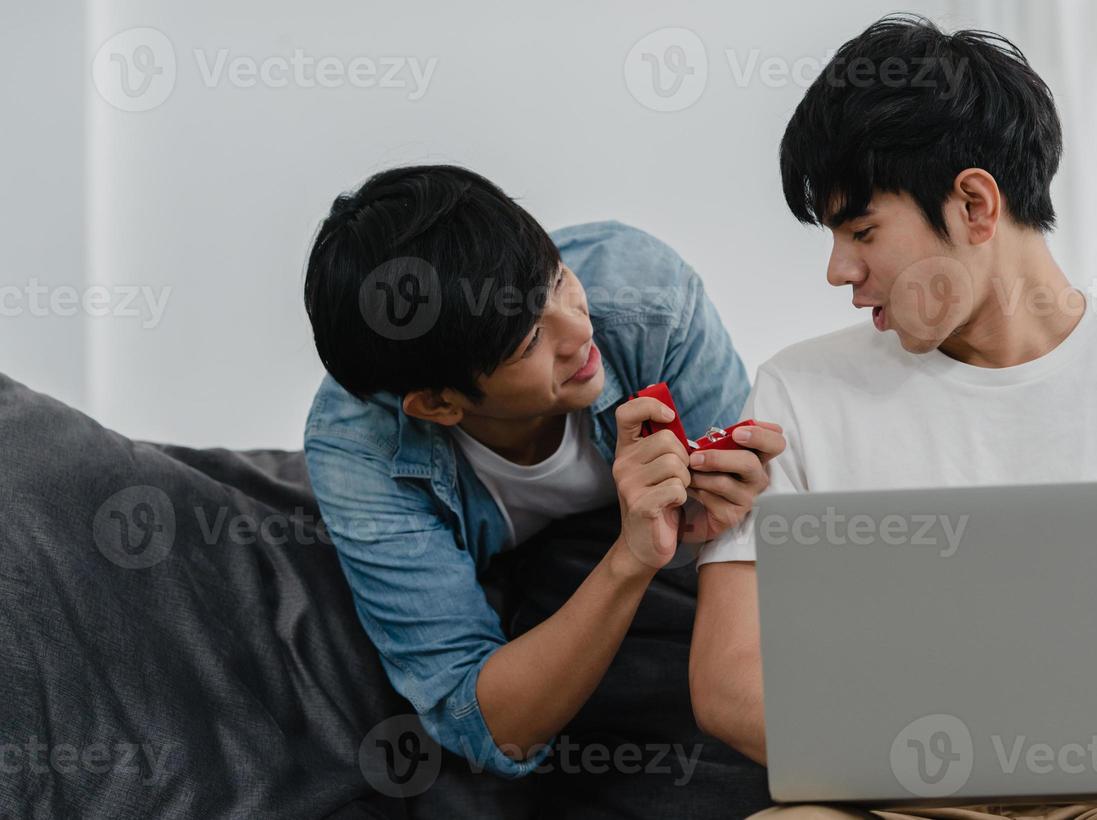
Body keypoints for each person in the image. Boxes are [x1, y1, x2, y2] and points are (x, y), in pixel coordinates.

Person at [688, 16, 1097, 819]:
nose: (839, 270)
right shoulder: (797, 394)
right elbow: (725, 682)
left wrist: (1047, 742)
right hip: (893, 804)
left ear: (974, 205)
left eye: (861, 231)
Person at [301, 164, 785, 779]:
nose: (579, 330)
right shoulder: (357, 453)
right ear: (440, 404)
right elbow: (488, 725)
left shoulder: (645, 296)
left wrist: (728, 508)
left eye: (556, 278)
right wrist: (631, 557)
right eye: (529, 339)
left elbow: (742, 556)